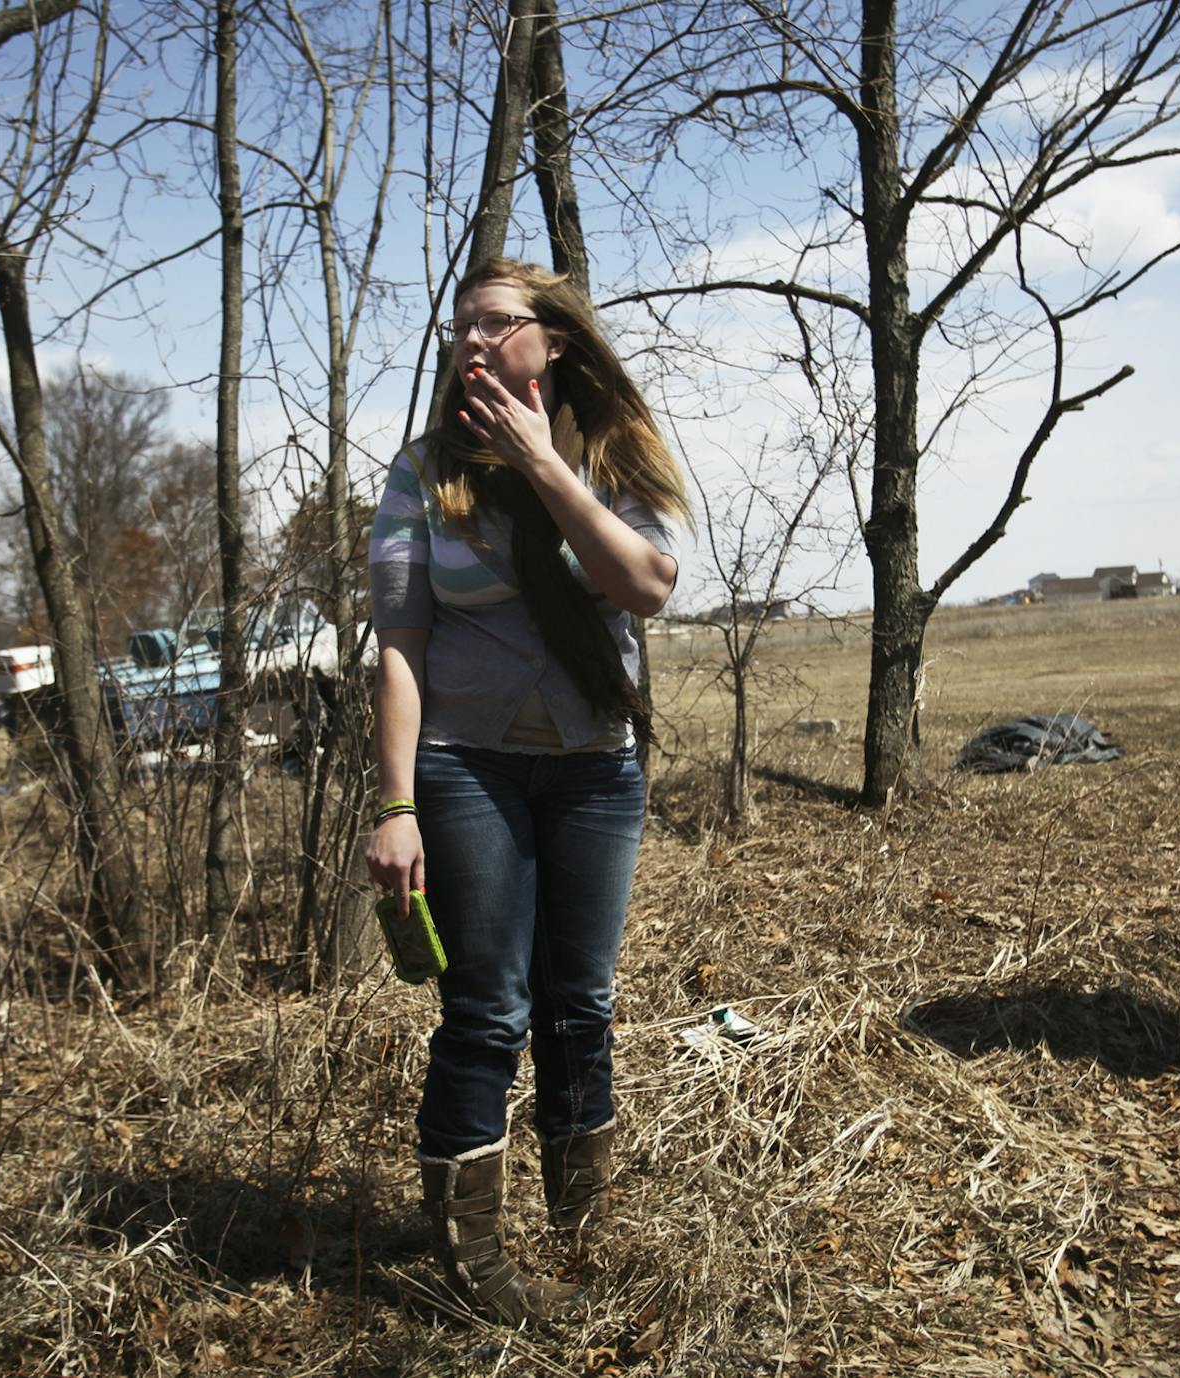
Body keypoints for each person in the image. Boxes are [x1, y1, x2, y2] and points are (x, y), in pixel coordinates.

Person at [364, 258, 688, 1320]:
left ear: (551, 340)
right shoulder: (424, 473)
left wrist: (545, 465)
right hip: (468, 762)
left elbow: (644, 584)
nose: (470, 339)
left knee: (581, 1003)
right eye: (460, 323)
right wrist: (397, 802)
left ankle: (584, 1230)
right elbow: (401, 647)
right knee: (487, 1008)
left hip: (597, 762)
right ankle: (477, 1265)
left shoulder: (613, 453)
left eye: (496, 323)